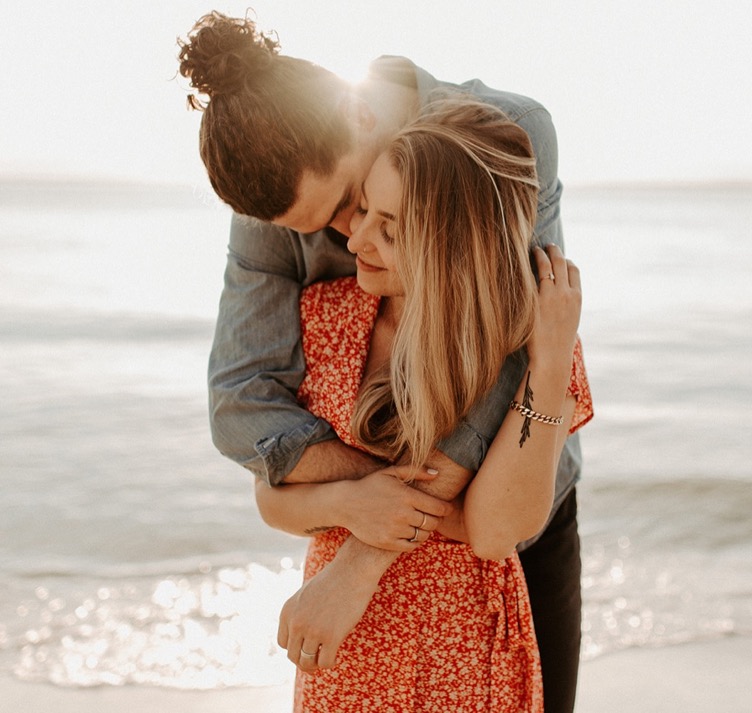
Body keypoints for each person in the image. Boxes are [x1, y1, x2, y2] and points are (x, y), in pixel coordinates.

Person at [178, 12, 586, 712]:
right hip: (376, 552)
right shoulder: (286, 215)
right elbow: (240, 407)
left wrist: (369, 545)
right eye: (323, 227)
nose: (347, 237)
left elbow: (512, 340)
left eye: (354, 203)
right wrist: (365, 504)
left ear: (361, 111)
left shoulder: (508, 138)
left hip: (514, 524)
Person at [263, 98, 592, 710]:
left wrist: (548, 369)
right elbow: (269, 497)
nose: (356, 237)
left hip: (468, 660)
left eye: (390, 227)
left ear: (455, 245)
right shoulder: (326, 319)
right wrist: (359, 503)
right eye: (364, 208)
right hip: (345, 651)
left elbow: (496, 530)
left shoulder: (524, 347)